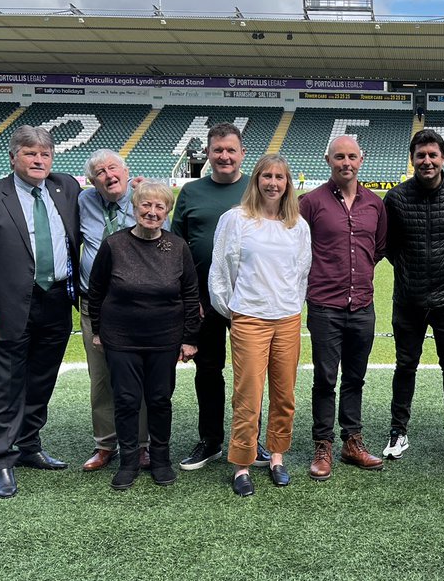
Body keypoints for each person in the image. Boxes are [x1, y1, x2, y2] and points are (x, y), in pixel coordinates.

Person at [0, 125, 81, 498]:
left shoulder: (66, 188)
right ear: (13, 157)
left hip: (56, 300)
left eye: (44, 154)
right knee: (4, 384)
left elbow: (105, 197)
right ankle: (3, 460)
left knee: (41, 379)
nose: (38, 160)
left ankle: (29, 445)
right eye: (29, 153)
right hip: (6, 307)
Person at [209, 155, 312, 496]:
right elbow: (221, 270)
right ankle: (242, 463)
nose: (272, 182)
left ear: (287, 183)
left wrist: (289, 306)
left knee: (284, 395)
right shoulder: (236, 220)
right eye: (266, 176)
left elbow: (301, 272)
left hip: (286, 318)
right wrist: (235, 310)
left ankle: (277, 456)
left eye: (279, 177)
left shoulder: (297, 224)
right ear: (256, 180)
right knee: (248, 395)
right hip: (249, 318)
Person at [87, 181, 200, 490]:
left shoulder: (178, 247)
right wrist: (98, 331)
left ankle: (160, 459)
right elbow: (96, 290)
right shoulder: (114, 245)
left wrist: (190, 338)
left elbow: (191, 294)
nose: (152, 212)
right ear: (134, 209)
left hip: (165, 337)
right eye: (145, 206)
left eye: (159, 207)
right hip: (121, 337)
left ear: (167, 211)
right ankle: (128, 461)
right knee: (125, 400)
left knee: (160, 400)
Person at [383, 128, 444, 460]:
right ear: (412, 159)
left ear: (442, 158)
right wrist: (409, 270)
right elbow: (389, 245)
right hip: (408, 299)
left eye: (432, 155)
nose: (427, 161)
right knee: (405, 365)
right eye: (421, 155)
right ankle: (398, 432)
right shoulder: (395, 198)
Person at [171, 124, 267, 471]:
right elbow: (176, 249)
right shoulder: (191, 193)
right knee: (208, 370)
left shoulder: (257, 190)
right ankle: (210, 439)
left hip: (250, 299)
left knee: (251, 373)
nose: (224, 156)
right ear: (208, 155)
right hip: (203, 299)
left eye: (231, 150)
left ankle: (250, 440)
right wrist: (188, 298)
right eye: (218, 150)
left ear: (242, 154)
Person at [299, 135, 387, 480]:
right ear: (328, 160)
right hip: (324, 305)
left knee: (355, 378)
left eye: (351, 156)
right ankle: (323, 445)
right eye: (339, 157)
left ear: (361, 159)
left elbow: (378, 249)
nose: (345, 162)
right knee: (325, 378)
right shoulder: (310, 202)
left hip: (362, 304)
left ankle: (352, 442)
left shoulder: (375, 204)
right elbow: (297, 249)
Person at [77, 150, 151, 472]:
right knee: (101, 379)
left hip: (139, 306)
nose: (108, 175)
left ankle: (142, 444)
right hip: (95, 304)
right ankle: (105, 444)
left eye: (112, 168)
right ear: (92, 181)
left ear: (126, 170)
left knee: (141, 377)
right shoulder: (82, 202)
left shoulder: (145, 198)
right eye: (99, 172)